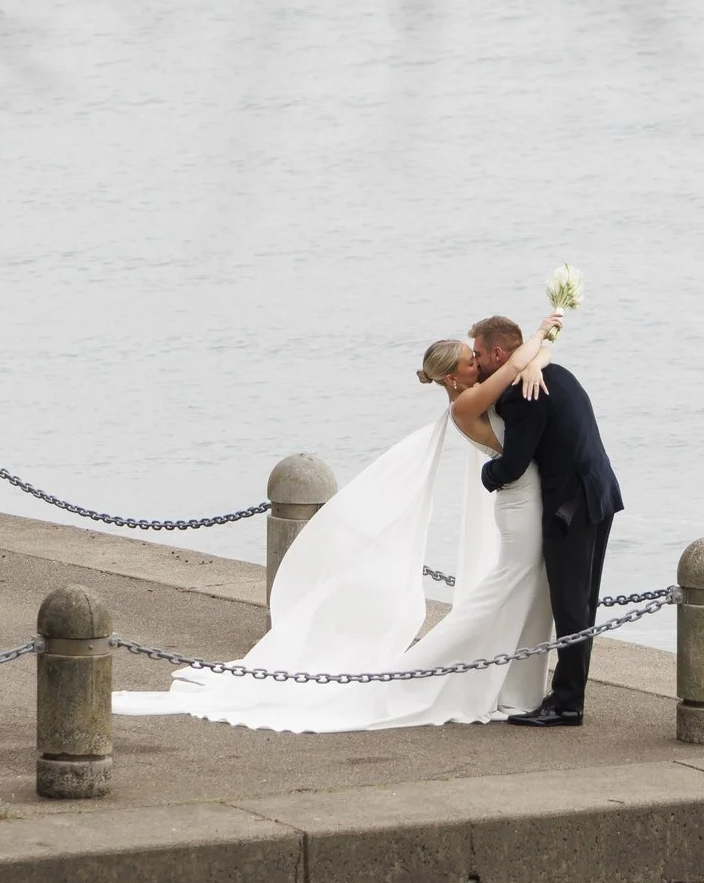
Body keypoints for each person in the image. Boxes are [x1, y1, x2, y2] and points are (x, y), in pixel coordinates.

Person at [112, 316, 563, 734]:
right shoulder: (467, 404)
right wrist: (546, 330)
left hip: (525, 500)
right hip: (517, 505)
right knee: (501, 592)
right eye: (471, 361)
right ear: (452, 378)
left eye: (477, 357)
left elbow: (520, 364)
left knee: (524, 589)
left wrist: (538, 355)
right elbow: (514, 365)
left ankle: (514, 684)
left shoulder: (476, 392)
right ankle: (440, 669)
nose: (478, 363)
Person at [470, 310, 623, 729]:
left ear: (499, 353)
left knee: (571, 605)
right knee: (583, 602)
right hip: (600, 492)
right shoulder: (552, 370)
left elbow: (514, 465)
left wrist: (486, 474)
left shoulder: (521, 390)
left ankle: (568, 703)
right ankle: (569, 695)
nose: (476, 361)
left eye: (479, 354)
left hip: (569, 506)